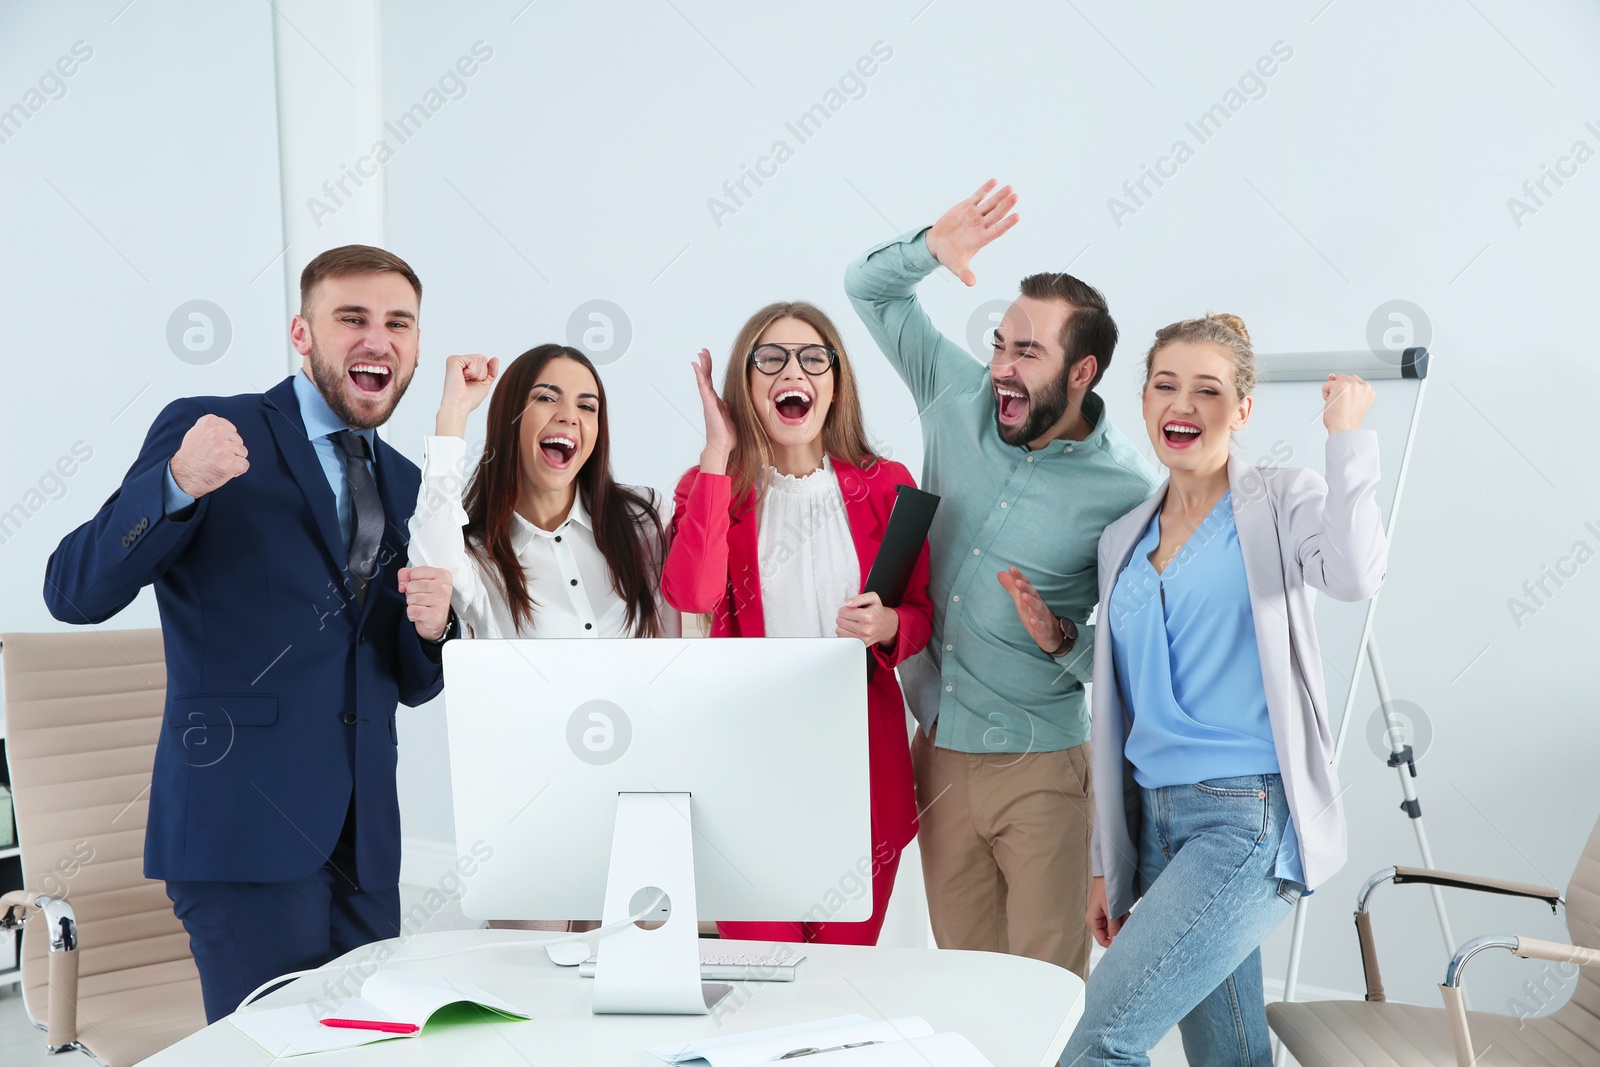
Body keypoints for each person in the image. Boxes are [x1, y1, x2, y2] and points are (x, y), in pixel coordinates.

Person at [44, 246, 456, 1022]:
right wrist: (175, 487)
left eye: (398, 322)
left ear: (417, 345)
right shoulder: (214, 429)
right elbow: (72, 589)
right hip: (243, 830)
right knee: (269, 1051)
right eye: (352, 318)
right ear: (302, 335)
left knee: (375, 1047)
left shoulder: (405, 481)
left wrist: (434, 632)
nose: (379, 338)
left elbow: (410, 681)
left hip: (363, 845)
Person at [843, 181, 1158, 978]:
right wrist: (929, 251)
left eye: (1029, 352)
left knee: (1044, 996)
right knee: (969, 991)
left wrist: (1060, 637)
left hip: (1043, 769)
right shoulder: (957, 396)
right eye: (1000, 344)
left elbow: (1136, 657)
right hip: (940, 756)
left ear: (1081, 370)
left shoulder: (1128, 490)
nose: (1003, 367)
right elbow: (867, 289)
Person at [1059, 314, 1385, 1066]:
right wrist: (1111, 860)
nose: (1185, 405)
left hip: (1247, 819)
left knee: (1096, 1043)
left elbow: (1356, 573)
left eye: (1210, 390)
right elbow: (1120, 711)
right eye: (1167, 385)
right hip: (1160, 825)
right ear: (1143, 399)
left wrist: (1347, 439)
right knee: (1229, 1058)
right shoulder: (1124, 539)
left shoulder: (1278, 500)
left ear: (1242, 411)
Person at [661, 301, 933, 945]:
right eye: (772, 359)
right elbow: (692, 593)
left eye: (815, 359)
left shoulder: (887, 486)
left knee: (840, 984)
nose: (795, 371)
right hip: (747, 776)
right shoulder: (710, 487)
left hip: (860, 775)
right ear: (745, 384)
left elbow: (920, 614)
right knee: (763, 977)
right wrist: (717, 453)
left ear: (836, 383)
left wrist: (888, 624)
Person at [407, 344, 678, 642]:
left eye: (586, 406)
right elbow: (431, 575)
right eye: (546, 398)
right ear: (511, 417)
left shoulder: (644, 516)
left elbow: (670, 650)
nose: (569, 417)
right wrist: (453, 413)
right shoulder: (474, 555)